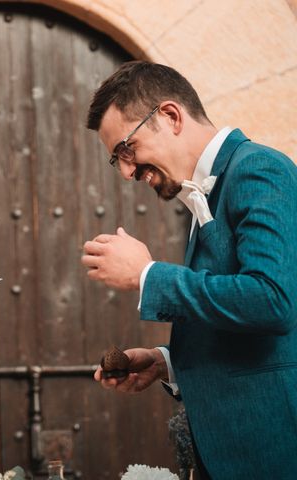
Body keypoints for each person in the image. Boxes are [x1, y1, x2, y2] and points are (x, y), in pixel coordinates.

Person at [81, 61, 297, 479]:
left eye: (127, 149)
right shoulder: (205, 193)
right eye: (116, 161)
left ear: (170, 116)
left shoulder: (258, 169)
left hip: (273, 452)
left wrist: (148, 276)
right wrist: (169, 361)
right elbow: (236, 311)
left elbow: (273, 300)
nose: (126, 171)